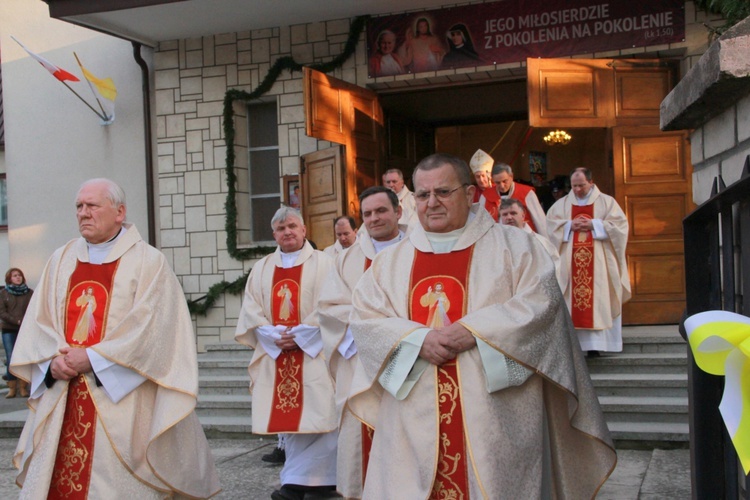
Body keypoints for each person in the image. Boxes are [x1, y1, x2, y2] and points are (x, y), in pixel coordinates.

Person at [347, 153, 615, 498]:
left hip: (495, 415)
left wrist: (474, 330)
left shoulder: (517, 247)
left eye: (443, 192)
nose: (432, 203)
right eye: (423, 195)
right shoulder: (390, 262)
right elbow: (366, 319)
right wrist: (415, 340)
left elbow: (543, 305)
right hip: (411, 418)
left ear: (471, 194)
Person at [9, 178, 219, 498]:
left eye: (92, 205)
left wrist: (93, 358)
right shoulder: (61, 259)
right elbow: (39, 323)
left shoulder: (148, 262)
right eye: (79, 206)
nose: (83, 213)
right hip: (63, 394)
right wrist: (51, 361)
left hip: (123, 400)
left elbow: (154, 330)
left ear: (119, 212)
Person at [235, 206, 339, 500]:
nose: (288, 232)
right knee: (291, 426)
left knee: (322, 417)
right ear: (274, 234)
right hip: (276, 354)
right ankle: (300, 481)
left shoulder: (325, 263)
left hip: (315, 352)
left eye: (292, 226)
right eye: (281, 229)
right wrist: (270, 334)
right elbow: (251, 307)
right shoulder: (262, 267)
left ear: (304, 230)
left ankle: (312, 484)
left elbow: (335, 304)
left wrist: (303, 334)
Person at [318, 186, 407, 499]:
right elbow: (329, 308)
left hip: (410, 361)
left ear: (398, 211)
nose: (374, 218)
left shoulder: (420, 249)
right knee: (363, 440)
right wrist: (372, 333)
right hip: (361, 365)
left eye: (381, 211)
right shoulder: (347, 260)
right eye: (367, 214)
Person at [547, 167, 630, 355]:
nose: (576, 190)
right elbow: (550, 226)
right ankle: (576, 348)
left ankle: (598, 346)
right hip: (570, 264)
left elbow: (620, 227)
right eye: (574, 186)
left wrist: (595, 224)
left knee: (599, 300)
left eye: (581, 185)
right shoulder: (562, 205)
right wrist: (568, 225)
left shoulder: (607, 202)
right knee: (570, 302)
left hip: (598, 263)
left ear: (591, 183)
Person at [499, 198, 563, 287]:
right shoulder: (496, 244)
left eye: (513, 213)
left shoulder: (539, 242)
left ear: (523, 215)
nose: (509, 217)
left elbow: (554, 267)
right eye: (505, 214)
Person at [489, 162, 548, 237]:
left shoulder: (526, 193)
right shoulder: (486, 195)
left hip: (525, 238)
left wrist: (546, 243)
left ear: (511, 176)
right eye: (497, 183)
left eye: (504, 181)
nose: (502, 186)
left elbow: (540, 221)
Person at [0, 268, 33, 399]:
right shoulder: (3, 293)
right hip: (9, 329)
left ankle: (23, 386)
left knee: (23, 357)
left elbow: (34, 308)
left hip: (25, 329)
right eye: (15, 276)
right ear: (9, 279)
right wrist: (16, 320)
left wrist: (24, 321)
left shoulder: (29, 293)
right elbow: (2, 312)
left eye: (19, 275)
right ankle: (12, 388)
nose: (18, 277)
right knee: (10, 357)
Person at [469, 148, 500, 218]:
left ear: (489, 176)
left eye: (483, 175)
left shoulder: (498, 189)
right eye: (478, 177)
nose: (481, 180)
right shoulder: (473, 193)